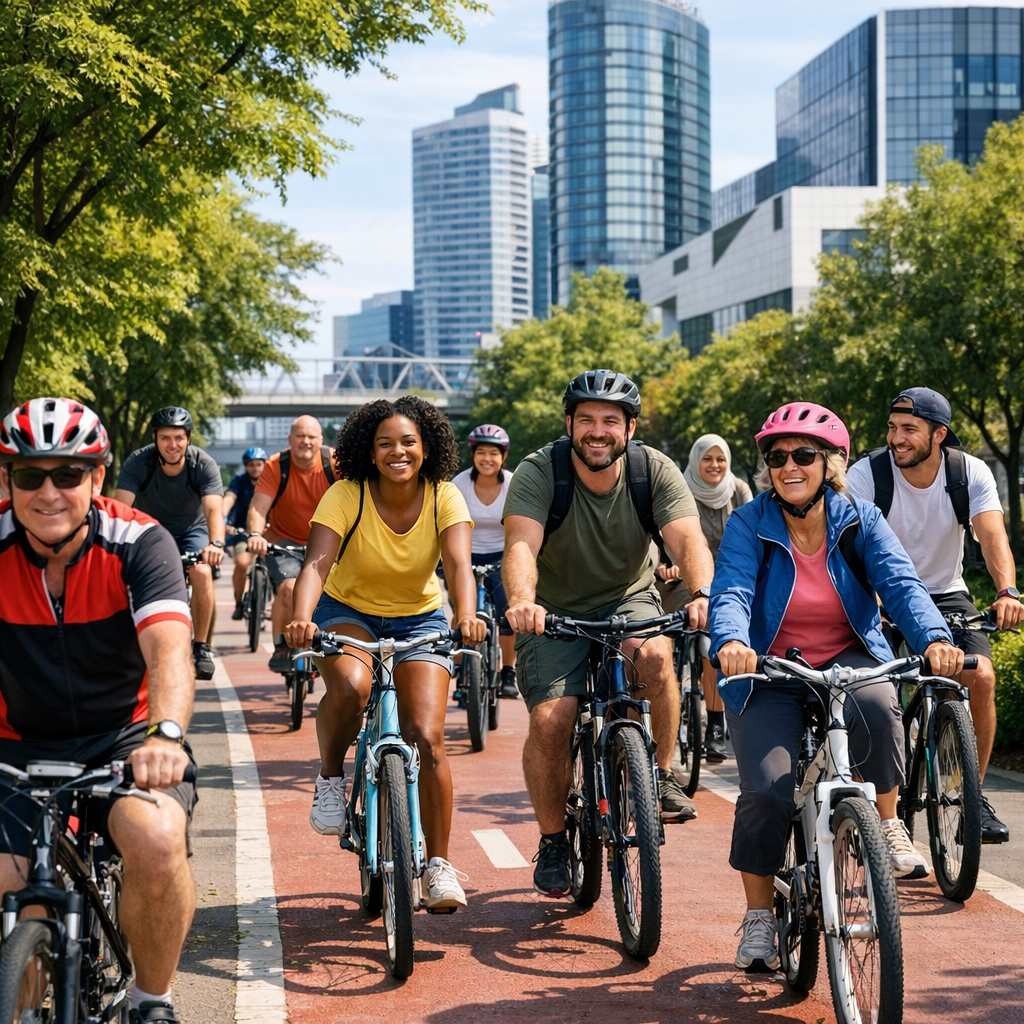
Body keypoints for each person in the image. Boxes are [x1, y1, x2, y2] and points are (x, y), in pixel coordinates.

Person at [710, 401, 961, 973]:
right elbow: (732, 590)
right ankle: (758, 916)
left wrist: (934, 638)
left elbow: (901, 584)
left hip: (847, 657)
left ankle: (888, 823)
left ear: (831, 464)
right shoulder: (749, 523)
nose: (788, 467)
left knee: (879, 705)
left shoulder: (860, 519)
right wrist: (732, 641)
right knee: (768, 792)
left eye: (803, 455)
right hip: (768, 667)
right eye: (777, 458)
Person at [0, 398, 198, 1024]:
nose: (48, 493)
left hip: (127, 739)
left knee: (157, 838)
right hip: (14, 743)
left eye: (68, 474)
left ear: (98, 477)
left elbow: (169, 652)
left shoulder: (140, 542)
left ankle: (151, 1001)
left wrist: (166, 734)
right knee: (11, 885)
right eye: (29, 476)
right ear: (7, 480)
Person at [503, 369, 715, 899]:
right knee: (552, 721)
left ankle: (658, 775)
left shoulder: (652, 470)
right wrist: (523, 602)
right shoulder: (539, 471)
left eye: (610, 421)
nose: (598, 432)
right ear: (569, 424)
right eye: (587, 420)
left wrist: (702, 593)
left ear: (630, 428)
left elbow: (687, 540)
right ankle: (554, 840)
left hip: (628, 599)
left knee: (656, 659)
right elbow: (522, 545)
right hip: (552, 611)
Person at [284, 397, 486, 911]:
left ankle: (438, 865)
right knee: (352, 688)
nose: (398, 452)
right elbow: (316, 564)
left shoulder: (443, 496)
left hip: (420, 617)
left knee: (426, 734)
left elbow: (458, 565)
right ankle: (331, 776)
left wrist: (467, 615)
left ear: (427, 448)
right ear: (368, 452)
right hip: (346, 611)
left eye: (408, 442)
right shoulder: (345, 494)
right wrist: (303, 618)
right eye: (385, 444)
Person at [846, 387, 1023, 844]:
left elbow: (992, 536)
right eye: (892, 427)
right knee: (870, 691)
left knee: (980, 676)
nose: (896, 438)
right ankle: (872, 803)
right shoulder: (867, 475)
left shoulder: (968, 473)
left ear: (939, 434)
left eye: (909, 429)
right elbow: (850, 545)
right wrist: (871, 601)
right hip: (879, 595)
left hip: (945, 593)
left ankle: (971, 796)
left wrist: (1006, 591)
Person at [656, 434, 754, 762]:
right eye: (707, 459)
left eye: (720, 459)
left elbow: (752, 535)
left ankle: (714, 724)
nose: (714, 465)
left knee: (715, 641)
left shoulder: (738, 490)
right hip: (680, 580)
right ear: (695, 461)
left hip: (726, 582)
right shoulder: (679, 488)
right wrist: (664, 565)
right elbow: (660, 533)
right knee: (661, 650)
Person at [115, 407, 225, 681]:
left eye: (179, 438)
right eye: (165, 438)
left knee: (201, 572)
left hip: (192, 531)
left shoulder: (203, 464)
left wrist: (216, 544)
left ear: (188, 439)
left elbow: (213, 510)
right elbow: (120, 510)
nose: (172, 445)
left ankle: (201, 647)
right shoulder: (138, 463)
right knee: (127, 574)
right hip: (151, 530)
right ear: (155, 438)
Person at [246, 416, 336, 673]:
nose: (305, 441)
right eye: (300, 436)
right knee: (288, 588)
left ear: (320, 440)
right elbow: (259, 507)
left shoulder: (334, 463)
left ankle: (323, 644)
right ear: (290, 439)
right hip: (283, 539)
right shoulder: (276, 465)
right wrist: (255, 534)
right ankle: (282, 646)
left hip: (327, 540)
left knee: (332, 595)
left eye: (311, 437)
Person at [451, 424, 519, 698]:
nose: (487, 459)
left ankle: (508, 672)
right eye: (481, 453)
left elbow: (520, 526)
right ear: (473, 454)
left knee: (508, 615)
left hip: (502, 558)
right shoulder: (460, 484)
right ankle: (458, 668)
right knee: (461, 612)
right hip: (464, 557)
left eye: (493, 453)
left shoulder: (513, 483)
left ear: (503, 456)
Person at [222, 447, 268, 620]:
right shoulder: (239, 481)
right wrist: (221, 517)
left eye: (258, 464)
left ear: (264, 465)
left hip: (270, 531)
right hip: (243, 532)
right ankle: (239, 603)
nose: (255, 468)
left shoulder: (272, 480)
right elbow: (229, 498)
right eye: (251, 465)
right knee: (242, 563)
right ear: (246, 466)